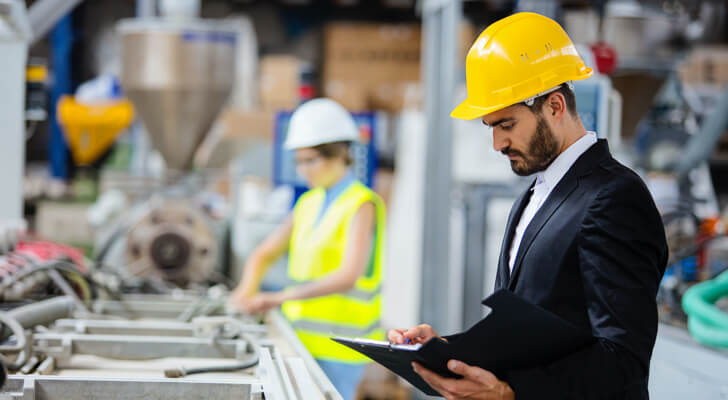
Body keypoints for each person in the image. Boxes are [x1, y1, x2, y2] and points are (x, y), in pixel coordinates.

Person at [388, 12, 668, 400]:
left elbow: (622, 362)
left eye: (506, 125)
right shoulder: (533, 198)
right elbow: (526, 337)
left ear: (554, 106)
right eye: (491, 128)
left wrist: (511, 392)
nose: (497, 144)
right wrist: (447, 351)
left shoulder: (614, 198)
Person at [230, 98, 386, 400]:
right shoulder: (308, 203)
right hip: (301, 340)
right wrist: (244, 291)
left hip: (342, 349)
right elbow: (264, 253)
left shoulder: (361, 204)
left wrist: (278, 297)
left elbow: (348, 276)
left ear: (339, 154)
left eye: (311, 160)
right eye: (299, 161)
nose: (303, 171)